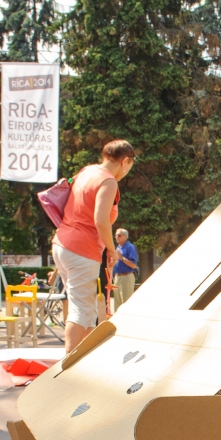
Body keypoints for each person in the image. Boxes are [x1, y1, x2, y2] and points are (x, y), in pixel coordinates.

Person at [52, 139, 135, 353]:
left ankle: (83, 357)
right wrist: (110, 249)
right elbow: (100, 220)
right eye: (129, 165)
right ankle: (68, 364)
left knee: (86, 309)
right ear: (125, 161)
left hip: (62, 242)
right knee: (81, 309)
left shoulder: (87, 171)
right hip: (82, 247)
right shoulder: (109, 182)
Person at [112, 228, 138, 311]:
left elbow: (134, 265)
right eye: (115, 235)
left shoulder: (130, 247)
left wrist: (121, 258)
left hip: (126, 277)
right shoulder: (118, 248)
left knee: (126, 303)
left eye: (119, 235)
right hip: (117, 277)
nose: (116, 237)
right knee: (117, 303)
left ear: (125, 236)